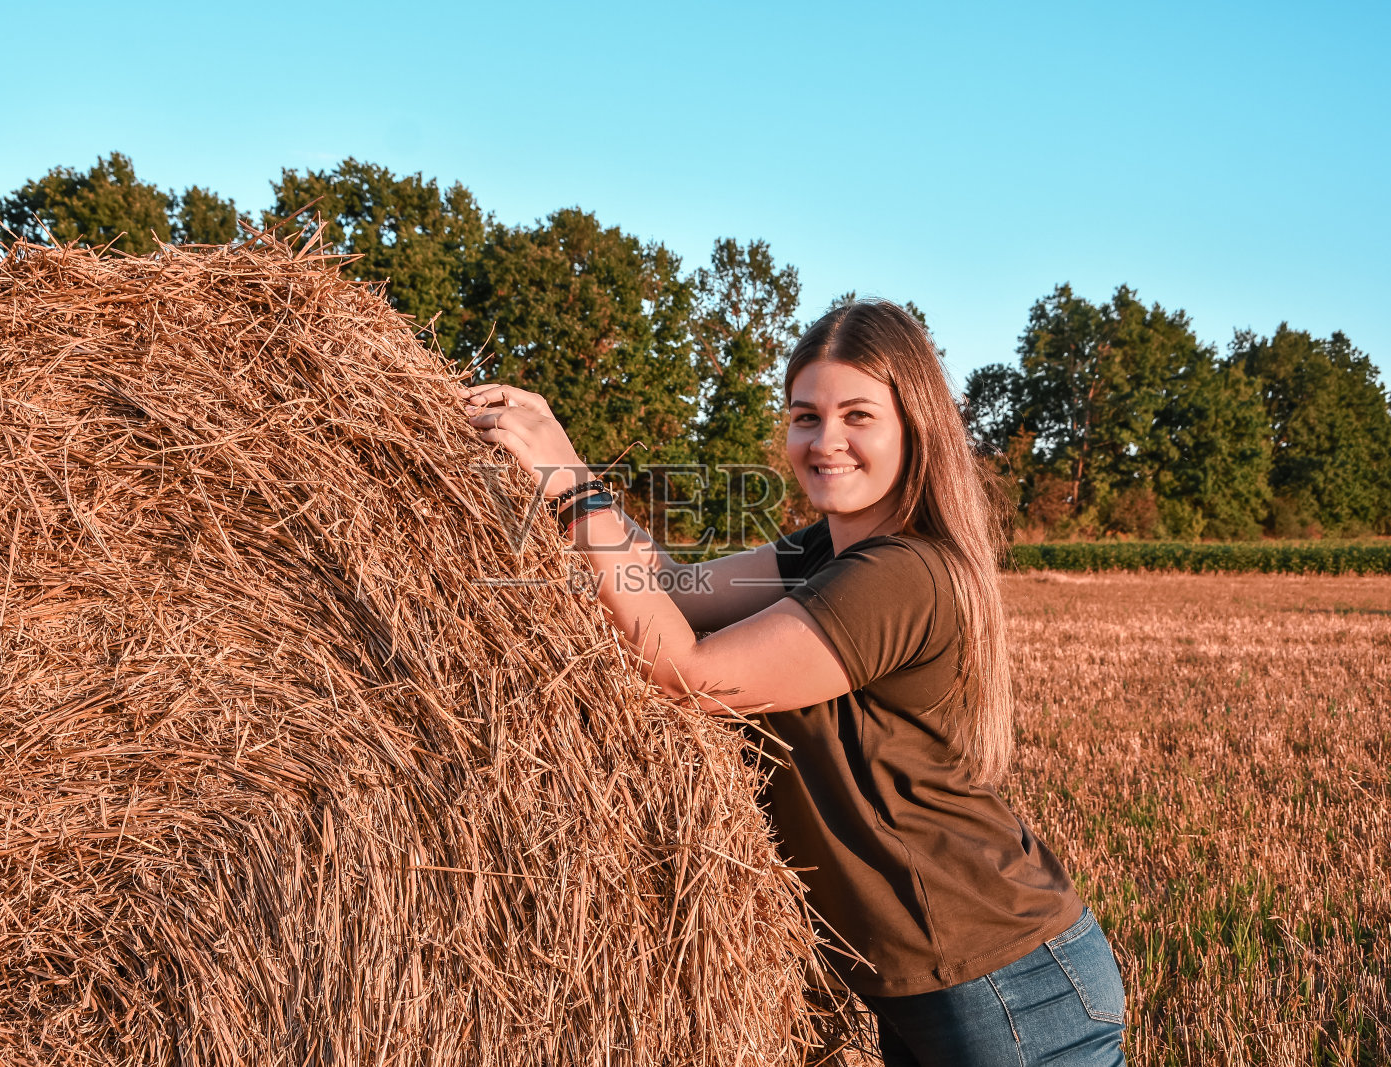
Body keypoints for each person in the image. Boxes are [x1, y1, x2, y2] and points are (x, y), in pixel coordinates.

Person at [457, 297, 1127, 1066]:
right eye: (806, 416)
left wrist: (572, 484)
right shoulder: (824, 553)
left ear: (917, 428)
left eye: (858, 415)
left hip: (1007, 984)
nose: (826, 440)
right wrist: (558, 471)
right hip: (937, 983)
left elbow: (686, 671)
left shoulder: (902, 574)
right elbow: (670, 590)